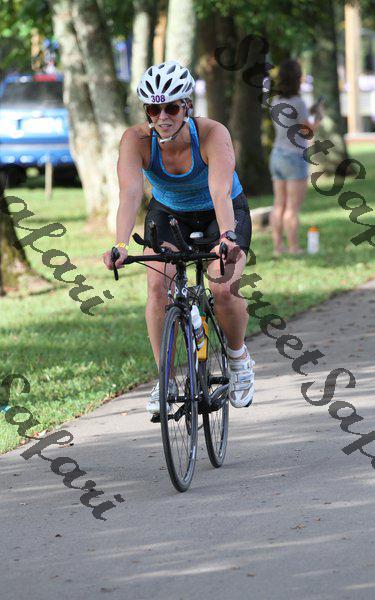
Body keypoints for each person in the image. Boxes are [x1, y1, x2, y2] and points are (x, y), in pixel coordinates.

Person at [102, 60, 254, 416]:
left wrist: (227, 237)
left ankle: (238, 359)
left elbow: (219, 191)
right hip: (170, 215)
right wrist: (120, 245)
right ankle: (166, 379)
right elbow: (129, 195)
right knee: (158, 287)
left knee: (222, 287)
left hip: (222, 212)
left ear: (187, 106)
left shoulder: (212, 133)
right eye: (153, 109)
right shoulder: (136, 140)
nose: (162, 117)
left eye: (171, 107)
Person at [269, 59, 323, 256]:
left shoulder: (275, 102)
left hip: (276, 155)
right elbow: (307, 131)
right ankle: (293, 248)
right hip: (294, 157)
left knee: (279, 204)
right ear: (297, 78)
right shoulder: (298, 102)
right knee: (292, 207)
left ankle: (278, 248)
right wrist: (318, 117)